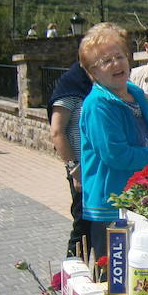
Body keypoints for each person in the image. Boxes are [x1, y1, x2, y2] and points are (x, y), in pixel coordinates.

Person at [79, 23, 148, 258]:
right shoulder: (98, 105)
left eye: (119, 56)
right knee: (116, 279)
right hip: (111, 208)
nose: (116, 63)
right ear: (92, 73)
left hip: (140, 201)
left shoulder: (134, 92)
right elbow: (116, 155)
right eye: (106, 61)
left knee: (144, 269)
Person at [47, 61, 93, 257]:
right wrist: (75, 169)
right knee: (83, 226)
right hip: (81, 168)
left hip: (100, 167)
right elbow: (57, 132)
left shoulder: (103, 81)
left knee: (100, 230)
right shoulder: (72, 83)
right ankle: (71, 278)